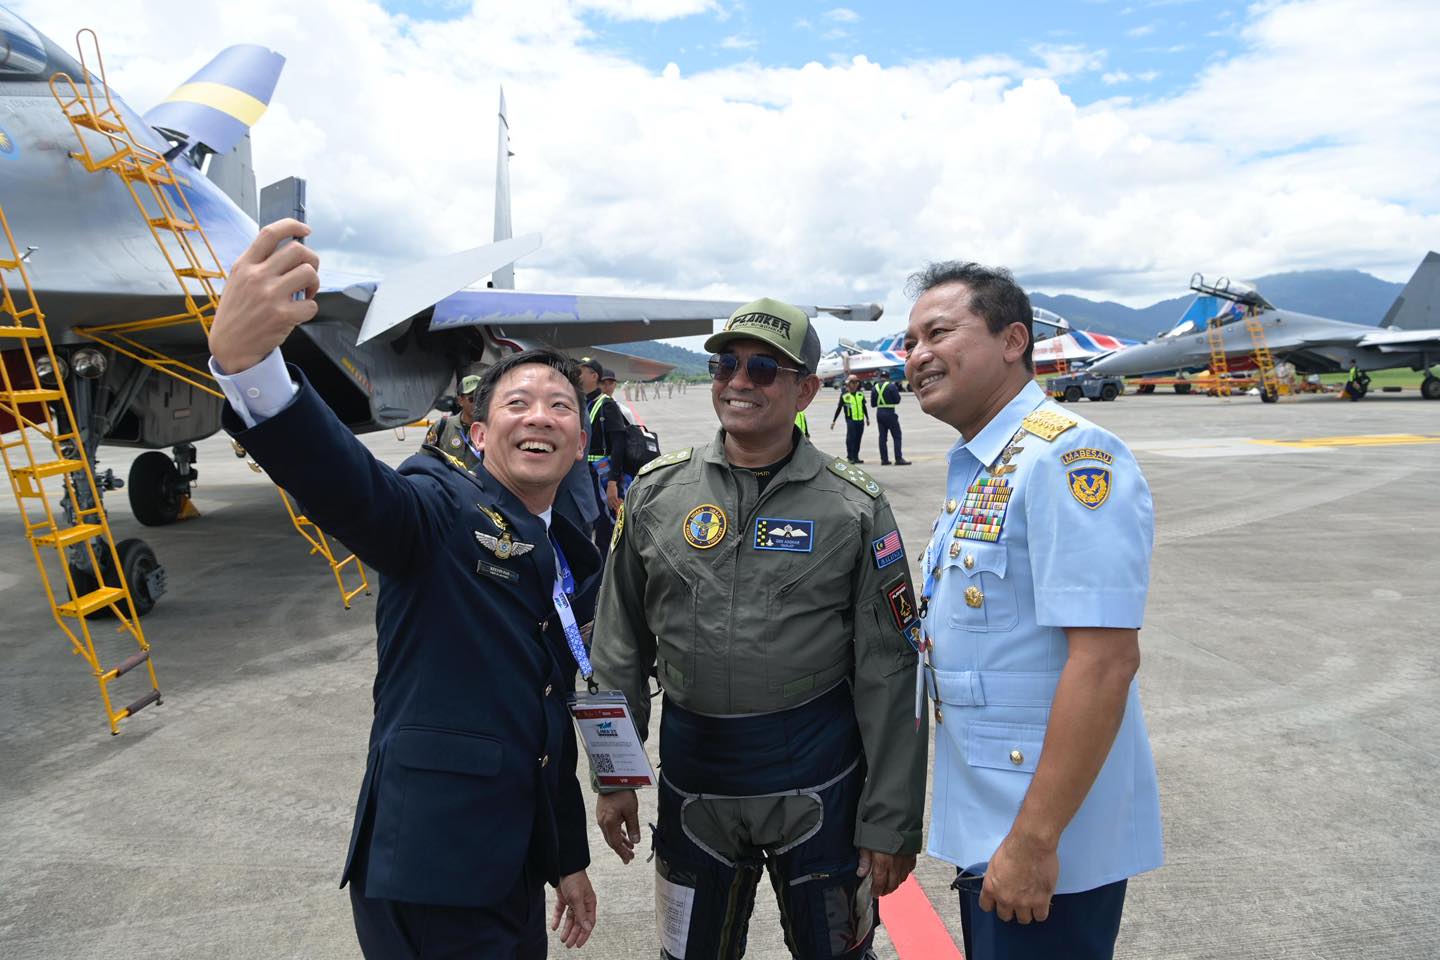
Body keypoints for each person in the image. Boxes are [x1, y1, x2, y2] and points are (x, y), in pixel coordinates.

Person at [206, 220, 599, 958]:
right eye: (517, 403)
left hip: (509, 867)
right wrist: (252, 369)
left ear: (579, 442)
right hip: (431, 871)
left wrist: (565, 859)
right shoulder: (439, 507)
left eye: (560, 406)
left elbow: (544, 722)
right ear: (477, 436)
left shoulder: (570, 550)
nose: (540, 416)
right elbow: (357, 492)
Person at [589, 297, 927, 960]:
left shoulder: (853, 506)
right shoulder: (657, 494)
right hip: (694, 778)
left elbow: (890, 668)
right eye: (727, 365)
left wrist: (890, 821)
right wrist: (614, 776)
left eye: (764, 369)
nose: (739, 382)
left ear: (805, 391)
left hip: (818, 778)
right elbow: (617, 645)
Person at [902, 261, 1162, 960]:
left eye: (938, 333)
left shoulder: (1068, 456)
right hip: (995, 817)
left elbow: (1105, 660)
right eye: (910, 342)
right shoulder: (986, 463)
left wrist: (1034, 841)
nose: (917, 356)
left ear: (1013, 340)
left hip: (1046, 841)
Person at [578, 359, 628, 555]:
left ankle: (609, 572)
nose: (577, 376)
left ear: (593, 376)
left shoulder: (606, 405)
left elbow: (619, 444)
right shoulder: (584, 403)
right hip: (586, 476)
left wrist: (613, 482)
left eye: (581, 372)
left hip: (603, 477)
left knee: (605, 532)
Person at [424, 372, 482, 470]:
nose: (477, 403)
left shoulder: (493, 429)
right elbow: (425, 460)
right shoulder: (442, 427)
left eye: (481, 398)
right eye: (472, 399)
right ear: (460, 401)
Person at [831, 376, 869, 463]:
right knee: (851, 438)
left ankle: (856, 456)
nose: (855, 384)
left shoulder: (860, 394)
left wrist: (867, 418)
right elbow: (839, 408)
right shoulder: (845, 396)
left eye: (856, 382)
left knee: (858, 439)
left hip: (860, 420)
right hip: (851, 420)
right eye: (853, 382)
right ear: (848, 383)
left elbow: (864, 407)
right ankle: (850, 457)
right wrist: (834, 421)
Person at [872, 379, 910, 466]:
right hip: (890, 412)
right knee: (897, 436)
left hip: (879, 413)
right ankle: (898, 458)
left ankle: (884, 459)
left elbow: (873, 404)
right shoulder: (891, 386)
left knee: (882, 437)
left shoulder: (875, 387)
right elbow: (897, 400)